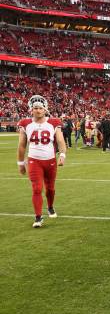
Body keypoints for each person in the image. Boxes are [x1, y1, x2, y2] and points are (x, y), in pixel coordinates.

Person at [17, 95, 67, 228]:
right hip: (34, 160)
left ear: (45, 109)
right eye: (35, 108)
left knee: (50, 189)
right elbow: (22, 145)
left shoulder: (54, 122)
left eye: (40, 108)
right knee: (37, 189)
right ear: (31, 110)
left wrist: (62, 155)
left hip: (50, 160)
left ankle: (50, 207)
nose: (38, 110)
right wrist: (21, 163)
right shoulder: (25, 123)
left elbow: (61, 140)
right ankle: (38, 217)